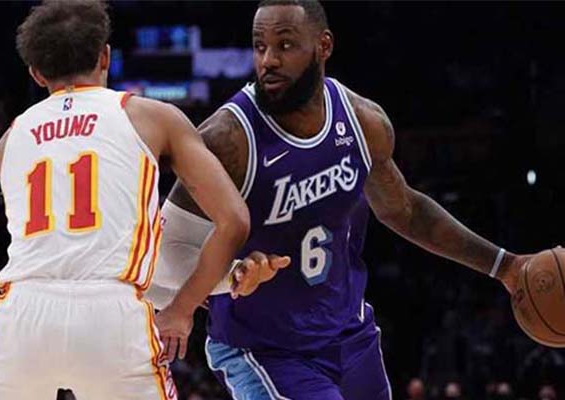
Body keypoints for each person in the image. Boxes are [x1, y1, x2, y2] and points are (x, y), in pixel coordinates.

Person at [148, 0, 533, 399]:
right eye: (260, 46)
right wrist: (230, 277)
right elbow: (163, 253)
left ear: (324, 46)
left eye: (285, 45)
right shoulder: (229, 138)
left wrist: (504, 265)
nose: (268, 60)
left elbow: (405, 210)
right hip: (265, 350)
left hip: (349, 335)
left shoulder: (363, 122)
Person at [0, 1, 274, 399]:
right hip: (111, 315)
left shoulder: (6, 146)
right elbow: (234, 220)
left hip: (24, 313)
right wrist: (181, 311)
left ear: (36, 73)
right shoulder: (152, 117)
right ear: (105, 56)